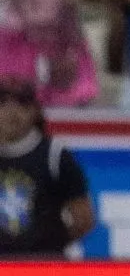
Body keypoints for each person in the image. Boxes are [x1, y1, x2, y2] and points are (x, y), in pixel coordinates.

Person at [0, 71, 90, 255]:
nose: (12, 112)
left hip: (43, 268)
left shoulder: (54, 155)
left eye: (22, 103)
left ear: (35, 110)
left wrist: (50, 247)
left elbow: (83, 219)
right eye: (3, 103)